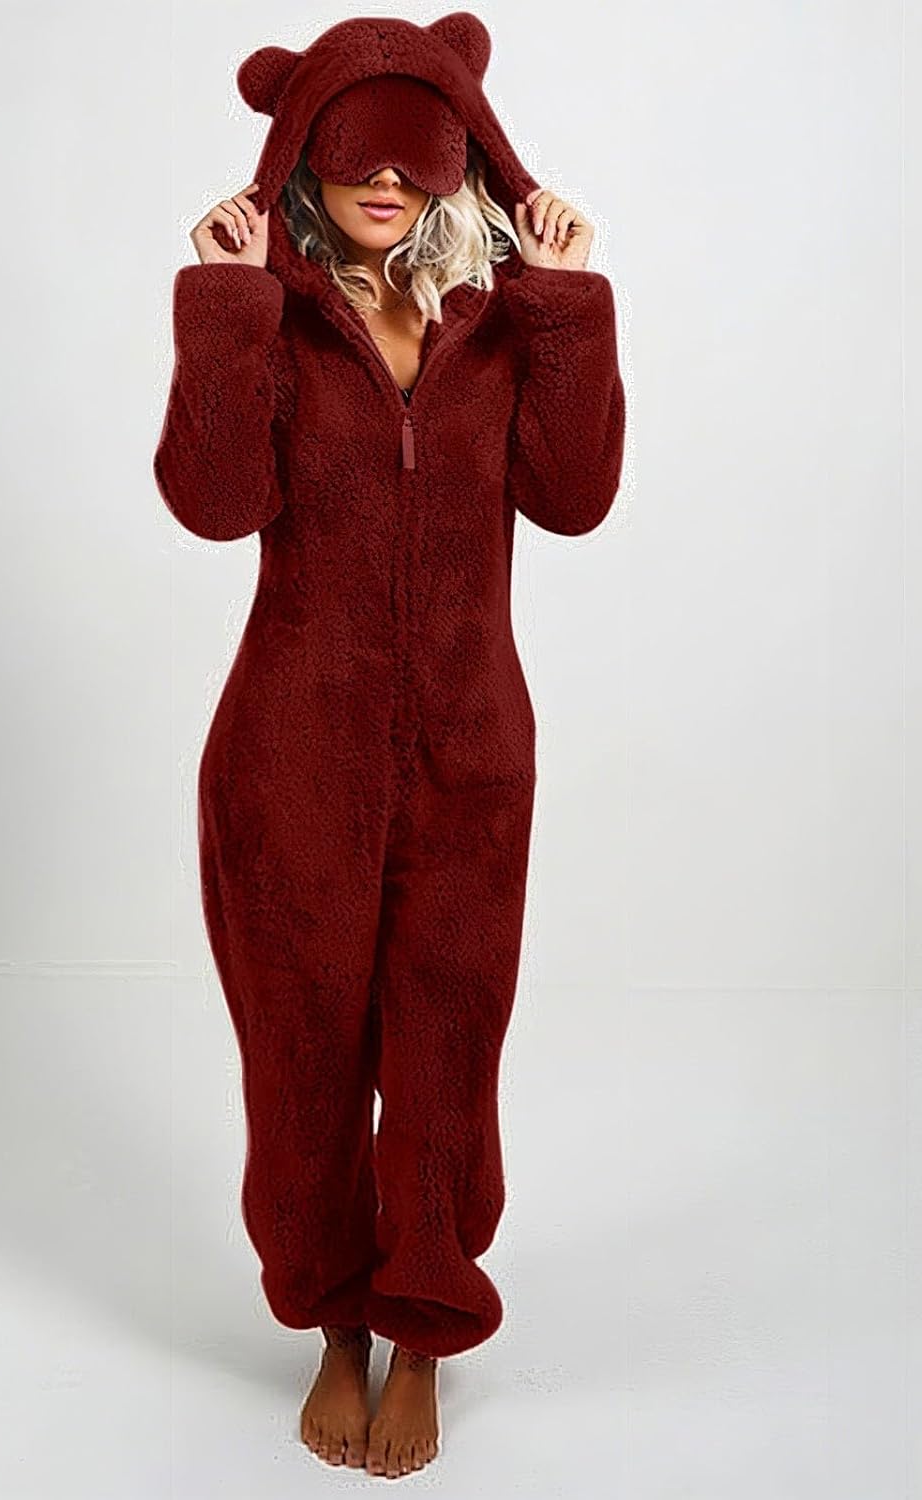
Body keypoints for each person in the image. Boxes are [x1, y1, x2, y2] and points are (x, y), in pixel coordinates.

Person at [153, 10, 626, 1479]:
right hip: (290, 746)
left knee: (446, 1040)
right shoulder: (274, 321)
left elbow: (575, 495)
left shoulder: (496, 323)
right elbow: (213, 501)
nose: (384, 184)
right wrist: (226, 306)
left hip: (474, 750)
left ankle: (421, 1324)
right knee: (303, 1050)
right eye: (355, 158)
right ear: (304, 159)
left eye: (416, 159)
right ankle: (334, 1321)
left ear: (461, 161)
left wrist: (568, 300)